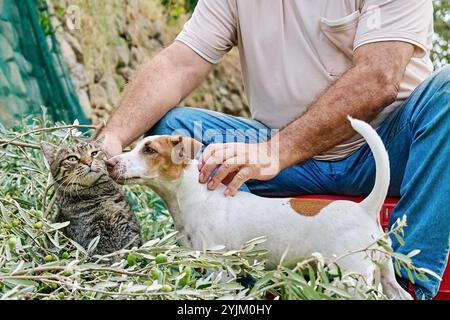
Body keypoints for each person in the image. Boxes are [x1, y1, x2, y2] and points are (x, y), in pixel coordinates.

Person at [99, 0, 449, 299]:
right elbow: (178, 64)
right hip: (284, 153)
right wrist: (111, 138)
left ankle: (404, 281)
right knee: (176, 129)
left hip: (387, 149)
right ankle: (237, 281)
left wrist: (277, 150)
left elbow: (379, 77)